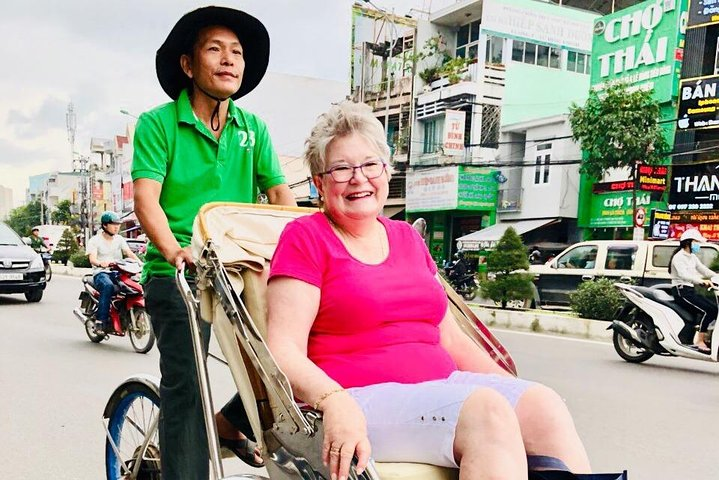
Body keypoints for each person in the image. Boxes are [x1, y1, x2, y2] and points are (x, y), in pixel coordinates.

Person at [266, 101, 591, 480]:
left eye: (370, 164)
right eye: (341, 169)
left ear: (386, 172)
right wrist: (334, 400)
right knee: (486, 410)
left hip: (438, 390)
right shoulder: (305, 238)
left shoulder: (407, 238)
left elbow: (448, 338)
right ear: (320, 183)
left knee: (543, 404)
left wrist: (514, 388)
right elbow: (282, 349)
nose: (359, 178)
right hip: (357, 397)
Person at [131, 6, 296, 479]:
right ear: (188, 65)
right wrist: (173, 250)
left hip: (240, 268)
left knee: (289, 358)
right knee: (188, 383)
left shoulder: (253, 128)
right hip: (178, 272)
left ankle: (228, 422)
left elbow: (280, 197)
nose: (229, 61)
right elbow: (148, 201)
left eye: (237, 52)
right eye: (215, 49)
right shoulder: (158, 124)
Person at [86, 211, 139, 332]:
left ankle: (124, 313)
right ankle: (101, 320)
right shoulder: (95, 240)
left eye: (118, 224)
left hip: (117, 271)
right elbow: (92, 258)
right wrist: (100, 263)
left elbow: (128, 253)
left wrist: (140, 263)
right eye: (113, 224)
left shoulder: (119, 239)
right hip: (101, 273)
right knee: (108, 286)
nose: (116, 227)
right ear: (105, 225)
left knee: (133, 286)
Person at [669, 229, 717, 353]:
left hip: (690, 291)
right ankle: (699, 341)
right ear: (688, 242)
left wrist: (716, 277)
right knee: (709, 310)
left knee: (714, 308)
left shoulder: (692, 257)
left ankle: (702, 338)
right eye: (696, 242)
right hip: (681, 291)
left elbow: (704, 270)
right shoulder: (678, 257)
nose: (698, 245)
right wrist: (702, 281)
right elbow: (684, 275)